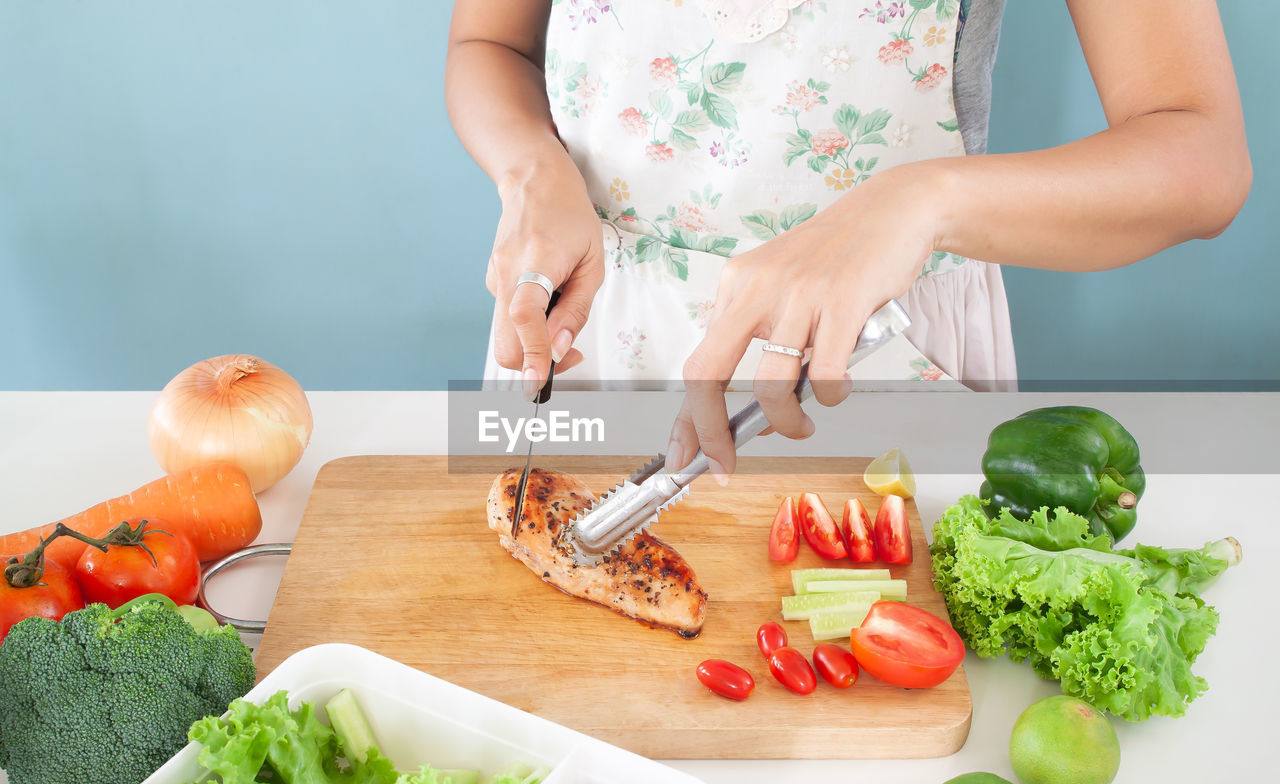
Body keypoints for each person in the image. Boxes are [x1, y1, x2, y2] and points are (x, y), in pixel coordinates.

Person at [446, 0, 1250, 483]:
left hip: (877, 352)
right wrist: (531, 171)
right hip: (588, 332)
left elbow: (1201, 156)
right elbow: (490, 44)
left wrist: (922, 202)